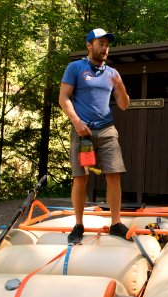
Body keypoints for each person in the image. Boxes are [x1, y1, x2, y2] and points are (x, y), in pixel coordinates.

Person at [59, 28, 130, 243]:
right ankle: (79, 225)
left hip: (107, 130)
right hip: (83, 133)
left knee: (114, 174)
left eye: (107, 44)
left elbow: (124, 105)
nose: (105, 47)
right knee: (81, 178)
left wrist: (120, 86)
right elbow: (63, 98)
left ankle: (116, 224)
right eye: (101, 43)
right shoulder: (75, 68)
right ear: (89, 45)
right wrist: (76, 121)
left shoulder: (112, 74)